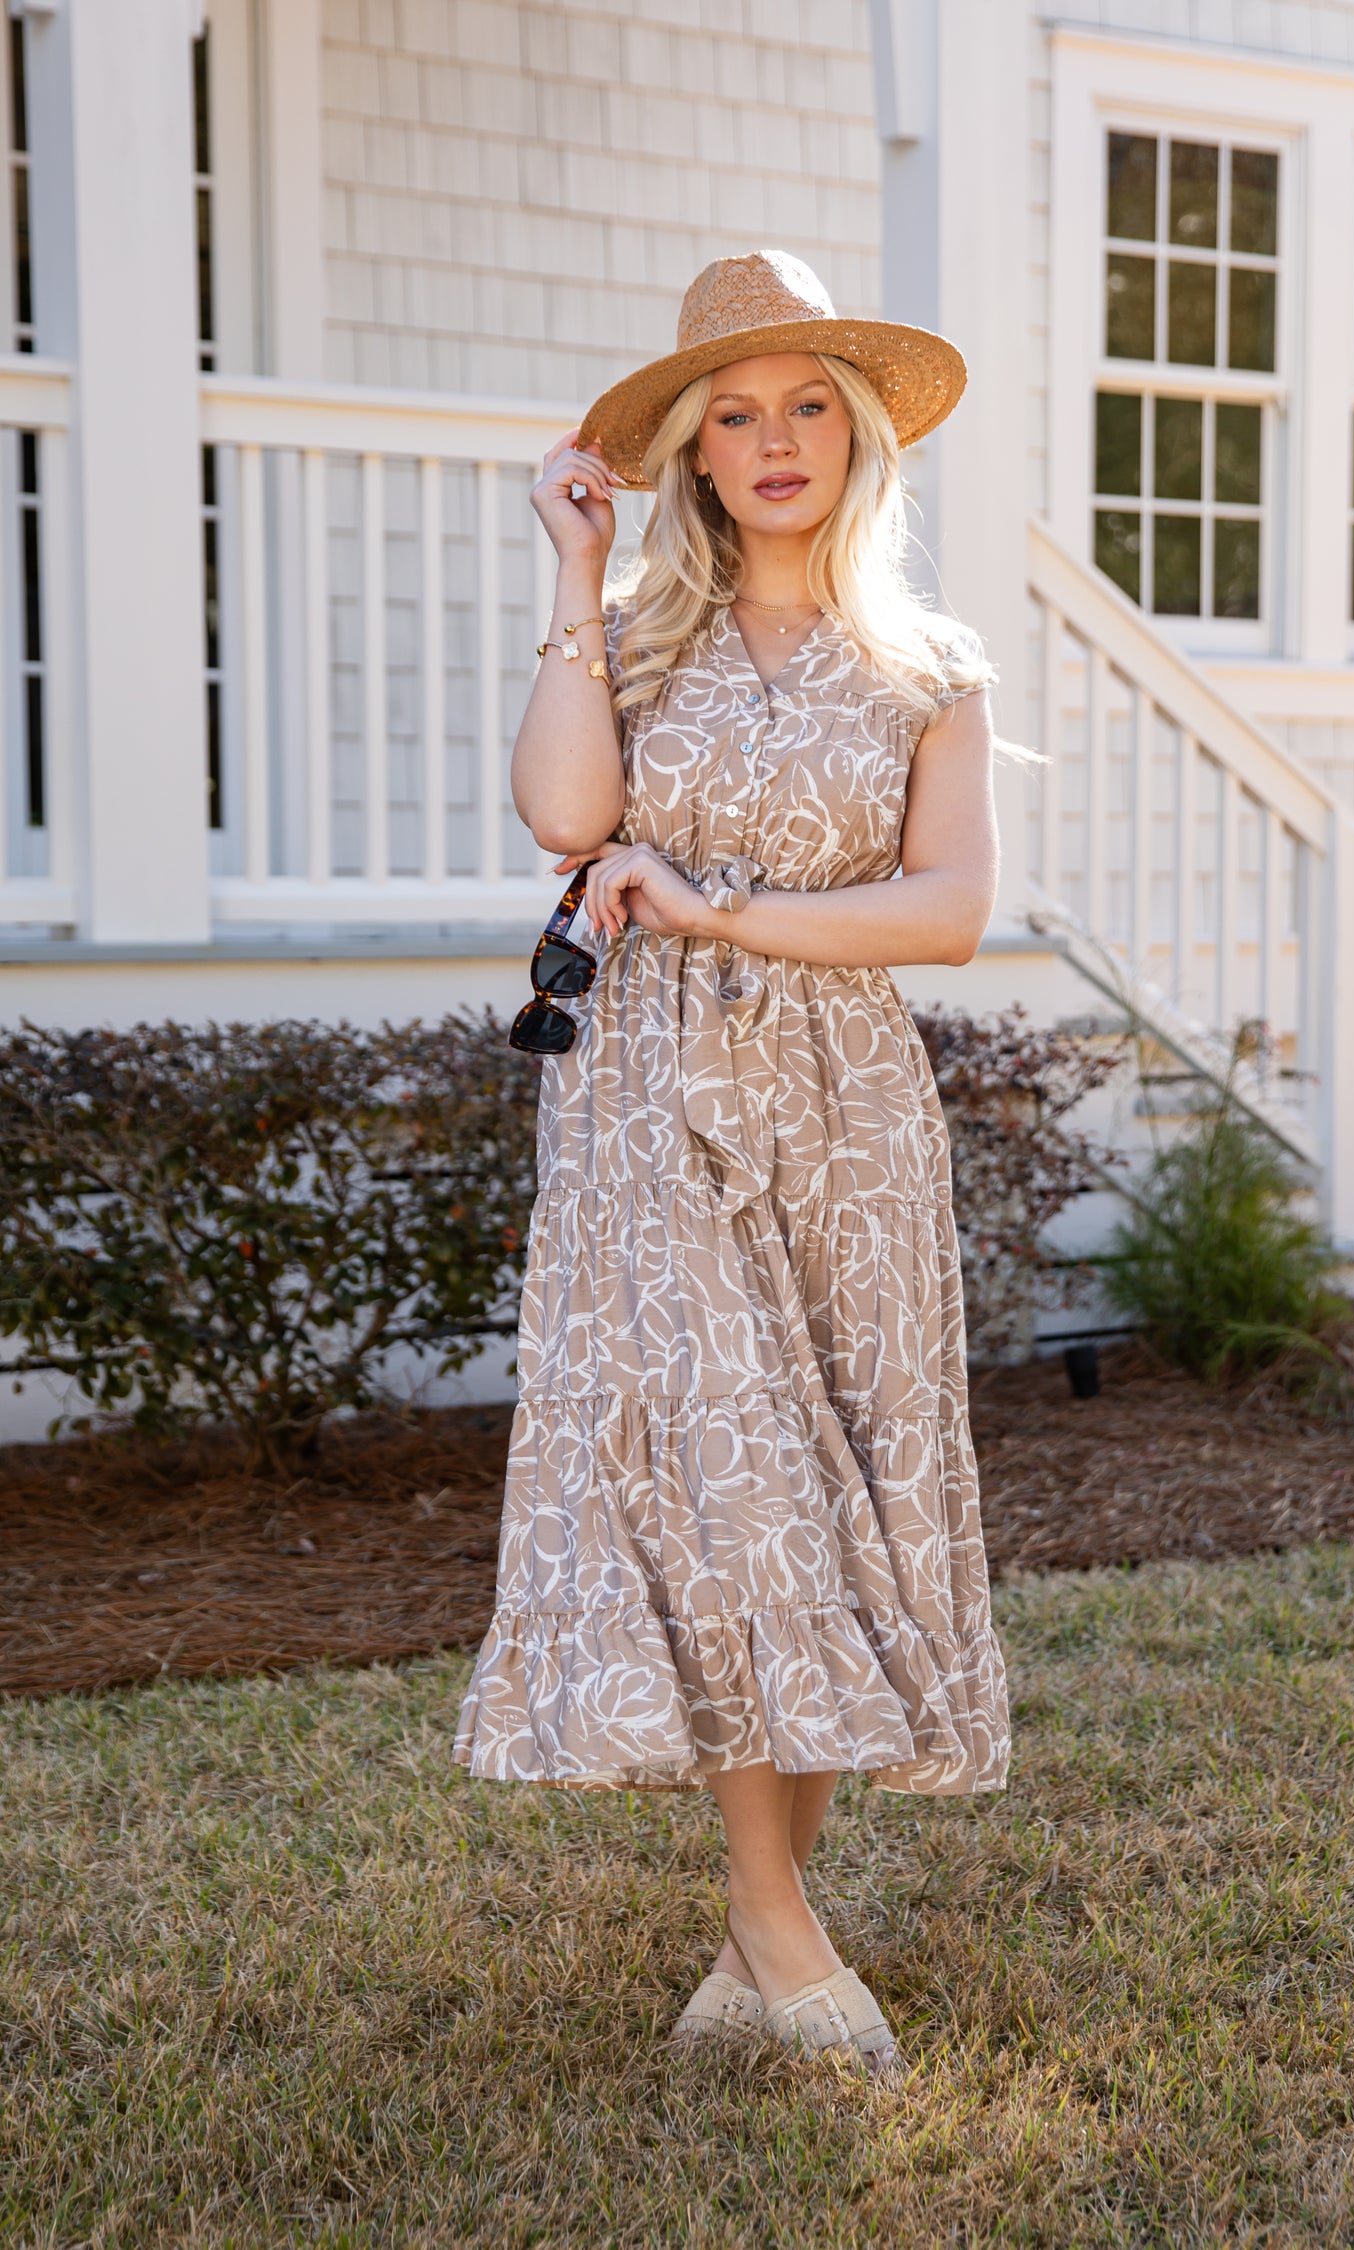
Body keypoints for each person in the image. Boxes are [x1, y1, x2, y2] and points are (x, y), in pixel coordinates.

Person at [454, 250, 1010, 2077]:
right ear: (690, 454)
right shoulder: (632, 637)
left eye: (808, 407)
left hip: (848, 1120)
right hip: (650, 1107)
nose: (774, 441)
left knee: (842, 1493)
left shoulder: (930, 665)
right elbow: (560, 815)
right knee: (725, 1490)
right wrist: (569, 569)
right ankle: (785, 1933)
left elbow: (948, 916)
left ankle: (752, 1942)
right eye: (736, 414)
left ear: (857, 440)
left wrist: (720, 905)